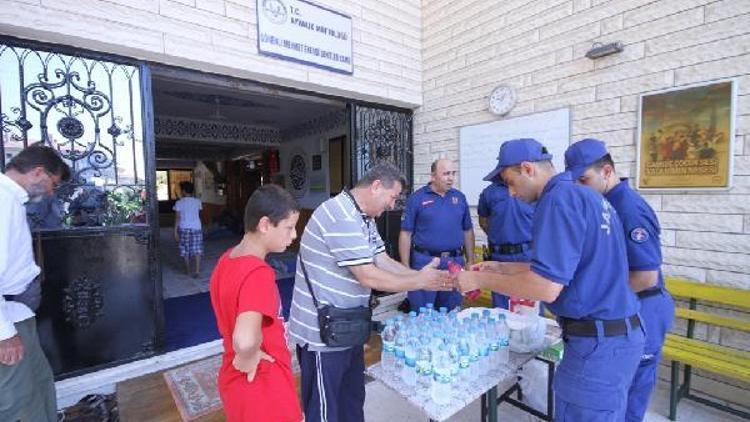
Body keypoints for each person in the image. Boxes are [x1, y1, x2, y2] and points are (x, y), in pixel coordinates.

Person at [456, 138, 645, 421]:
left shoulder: (556, 199)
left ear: (528, 169)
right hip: (617, 337)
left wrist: (478, 281)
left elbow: (546, 287)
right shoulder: (587, 196)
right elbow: (564, 267)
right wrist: (501, 268)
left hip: (596, 345)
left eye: (511, 181)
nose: (511, 192)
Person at [288, 163, 453, 422]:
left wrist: (424, 277)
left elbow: (382, 261)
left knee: (352, 398)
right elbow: (368, 275)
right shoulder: (339, 214)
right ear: (376, 186)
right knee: (324, 407)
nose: (392, 205)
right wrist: (419, 281)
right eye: (392, 197)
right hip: (322, 335)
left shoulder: (363, 218)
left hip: (348, 327)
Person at [565, 138, 675, 422]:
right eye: (574, 181)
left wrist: (594, 301)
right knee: (609, 395)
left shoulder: (627, 208)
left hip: (643, 307)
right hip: (620, 308)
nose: (579, 187)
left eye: (584, 179)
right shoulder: (601, 203)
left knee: (628, 399)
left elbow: (646, 276)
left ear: (607, 171)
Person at [208, 184, 303, 422]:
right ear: (264, 225)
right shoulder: (258, 273)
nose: (294, 236)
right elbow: (245, 339)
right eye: (289, 228)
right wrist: (247, 354)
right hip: (263, 386)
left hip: (235, 382)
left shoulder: (226, 259)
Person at [1, 144, 70, 422]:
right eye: (52, 184)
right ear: (38, 172)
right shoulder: (2, 201)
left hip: (18, 316)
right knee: (17, 400)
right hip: (7, 320)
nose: (51, 192)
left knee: (39, 382)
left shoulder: (10, 200)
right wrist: (4, 334)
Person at [398, 158, 474, 311]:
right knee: (422, 312)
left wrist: (470, 260)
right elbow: (406, 233)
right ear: (433, 176)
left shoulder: (459, 198)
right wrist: (405, 266)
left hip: (454, 262)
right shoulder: (417, 198)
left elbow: (468, 230)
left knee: (451, 312)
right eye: (446, 174)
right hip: (425, 262)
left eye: (453, 173)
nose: (451, 178)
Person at [477, 154, 534, 309]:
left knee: (528, 306)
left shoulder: (532, 189)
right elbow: (483, 221)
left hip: (527, 255)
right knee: (501, 308)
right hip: (499, 257)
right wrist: (501, 236)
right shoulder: (489, 193)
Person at [173, 181, 203, 277]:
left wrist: (175, 231)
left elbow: (177, 218)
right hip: (196, 227)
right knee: (197, 249)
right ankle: (197, 271)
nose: (181, 191)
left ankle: (188, 270)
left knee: (185, 249)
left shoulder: (179, 203)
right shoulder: (197, 201)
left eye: (181, 190)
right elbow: (198, 213)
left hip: (184, 228)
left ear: (184, 191)